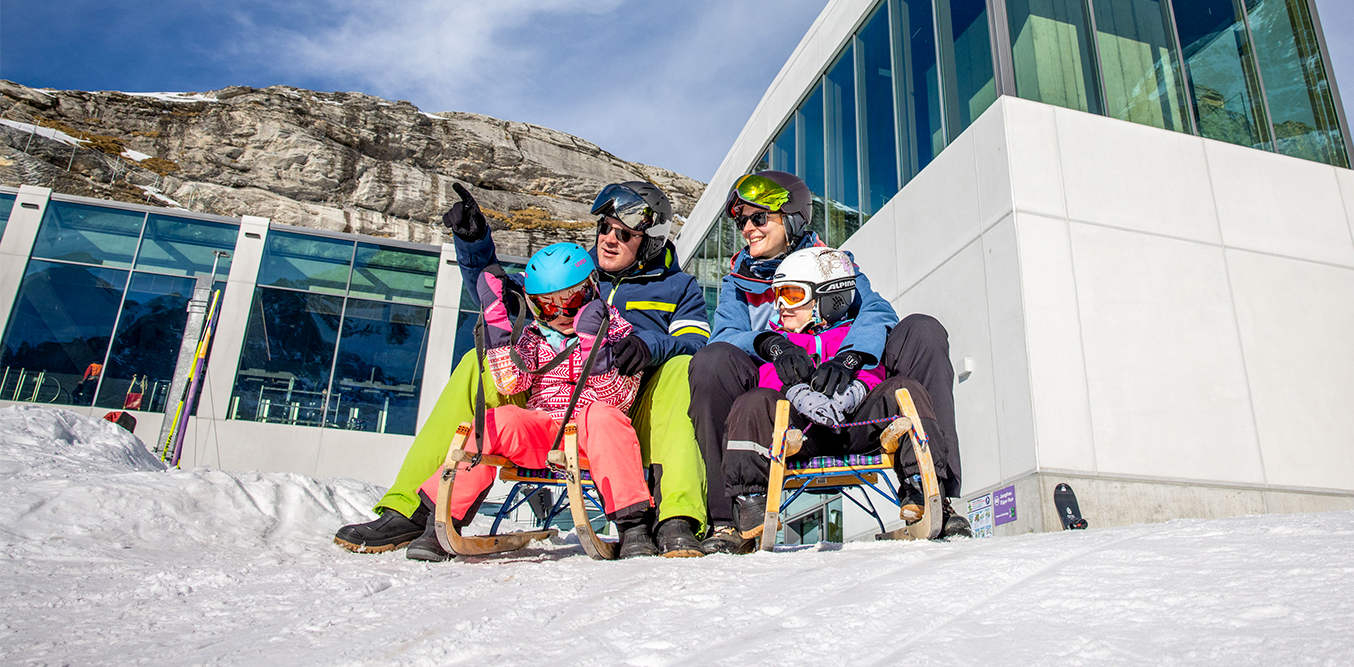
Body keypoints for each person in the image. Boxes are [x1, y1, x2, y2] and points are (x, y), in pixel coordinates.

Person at [335, 179, 711, 557]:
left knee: (680, 368)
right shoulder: (568, 271)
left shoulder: (677, 287)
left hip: (627, 406)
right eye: (605, 228)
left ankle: (676, 517)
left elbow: (697, 343)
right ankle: (414, 510)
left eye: (625, 235)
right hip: (547, 403)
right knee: (476, 364)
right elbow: (499, 296)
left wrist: (650, 345)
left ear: (649, 242)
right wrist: (474, 243)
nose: (609, 240)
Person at [687, 170, 969, 553]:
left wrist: (853, 357)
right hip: (783, 411)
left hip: (855, 403)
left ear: (791, 217)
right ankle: (728, 520)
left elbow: (878, 313)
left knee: (922, 330)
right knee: (711, 362)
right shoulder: (739, 282)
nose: (747, 228)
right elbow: (724, 337)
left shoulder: (833, 266)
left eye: (758, 218)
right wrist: (768, 343)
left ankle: (934, 489)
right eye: (741, 221)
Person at [407, 242, 657, 561]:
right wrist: (498, 331)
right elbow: (512, 382)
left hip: (592, 436)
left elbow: (619, 399)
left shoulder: (619, 332)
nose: (563, 315)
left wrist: (596, 350)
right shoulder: (536, 337)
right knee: (498, 421)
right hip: (543, 431)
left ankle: (633, 528)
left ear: (592, 291)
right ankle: (439, 521)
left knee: (604, 417)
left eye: (574, 301)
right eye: (549, 307)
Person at [720, 248, 953, 539]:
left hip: (856, 428)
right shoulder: (782, 344)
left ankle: (920, 485)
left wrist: (855, 387)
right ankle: (750, 499)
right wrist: (797, 391)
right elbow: (766, 377)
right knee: (751, 403)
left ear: (827, 299)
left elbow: (875, 369)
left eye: (792, 295)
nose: (781, 305)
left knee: (904, 390)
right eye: (778, 295)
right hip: (802, 434)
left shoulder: (852, 335)